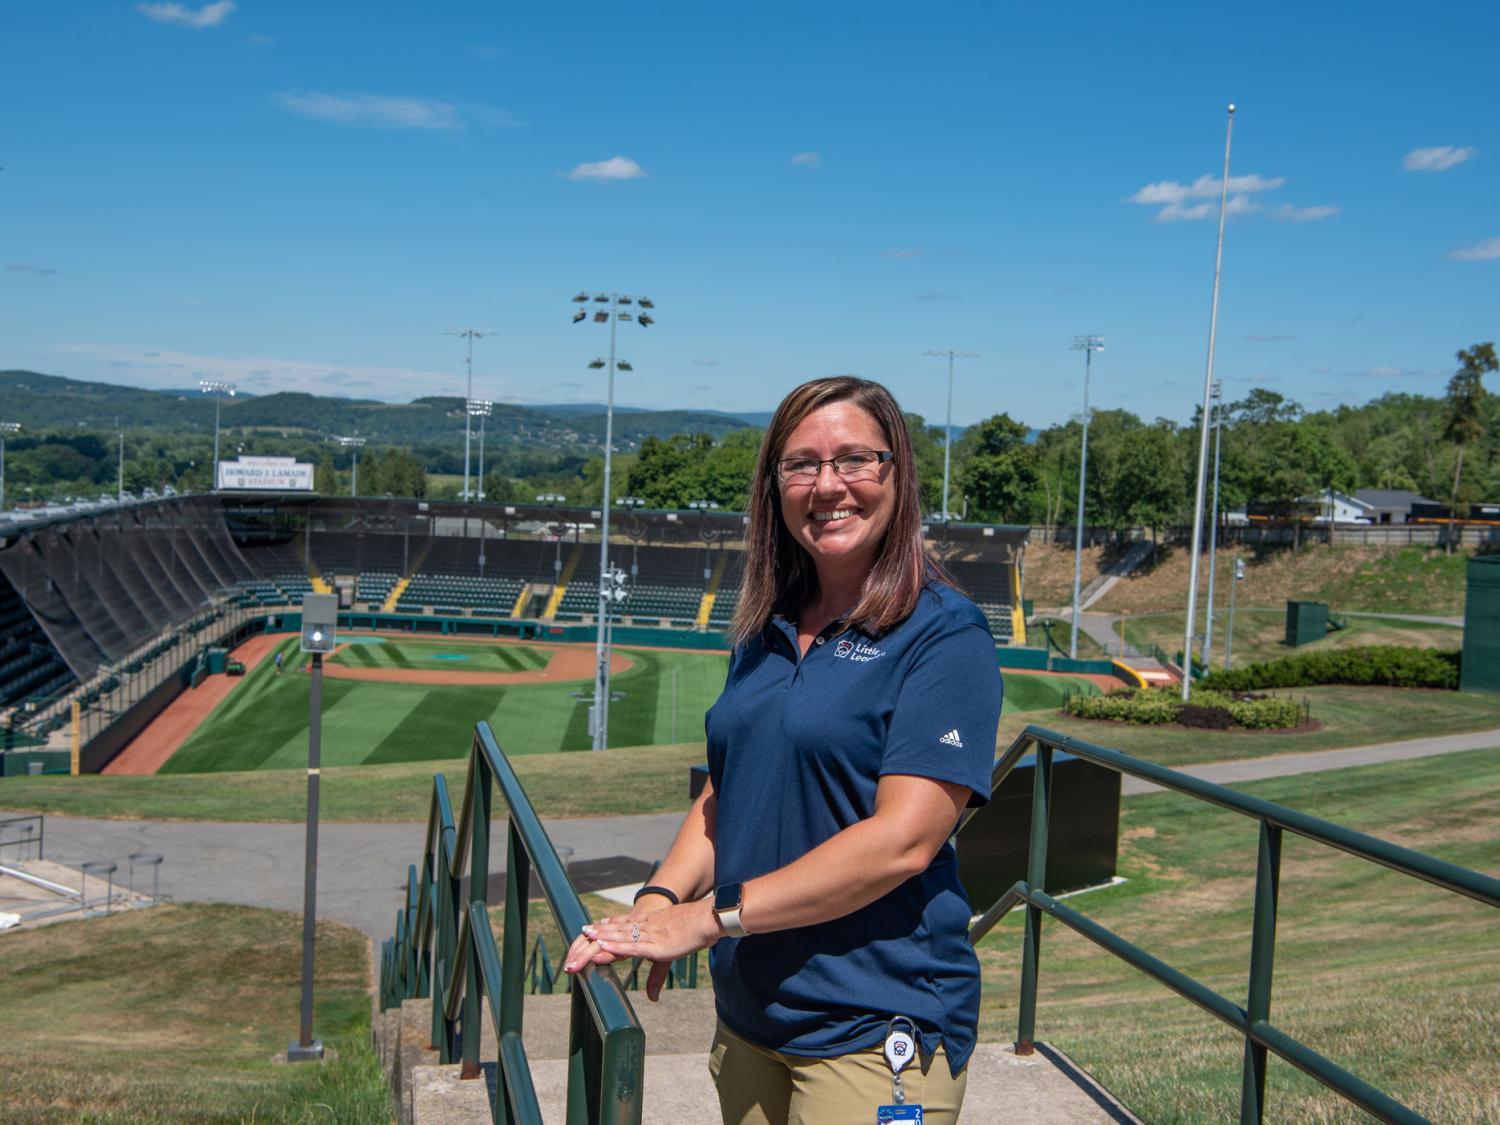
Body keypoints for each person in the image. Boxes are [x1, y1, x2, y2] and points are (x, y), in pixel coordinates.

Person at [565, 376, 1003, 1125]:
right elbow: (726, 791)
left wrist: (708, 919)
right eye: (801, 464)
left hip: (873, 1028)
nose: (827, 485)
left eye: (854, 460)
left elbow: (905, 840)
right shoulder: (767, 623)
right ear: (774, 487)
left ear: (897, 471)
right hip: (751, 1018)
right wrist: (658, 903)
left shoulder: (943, 634)